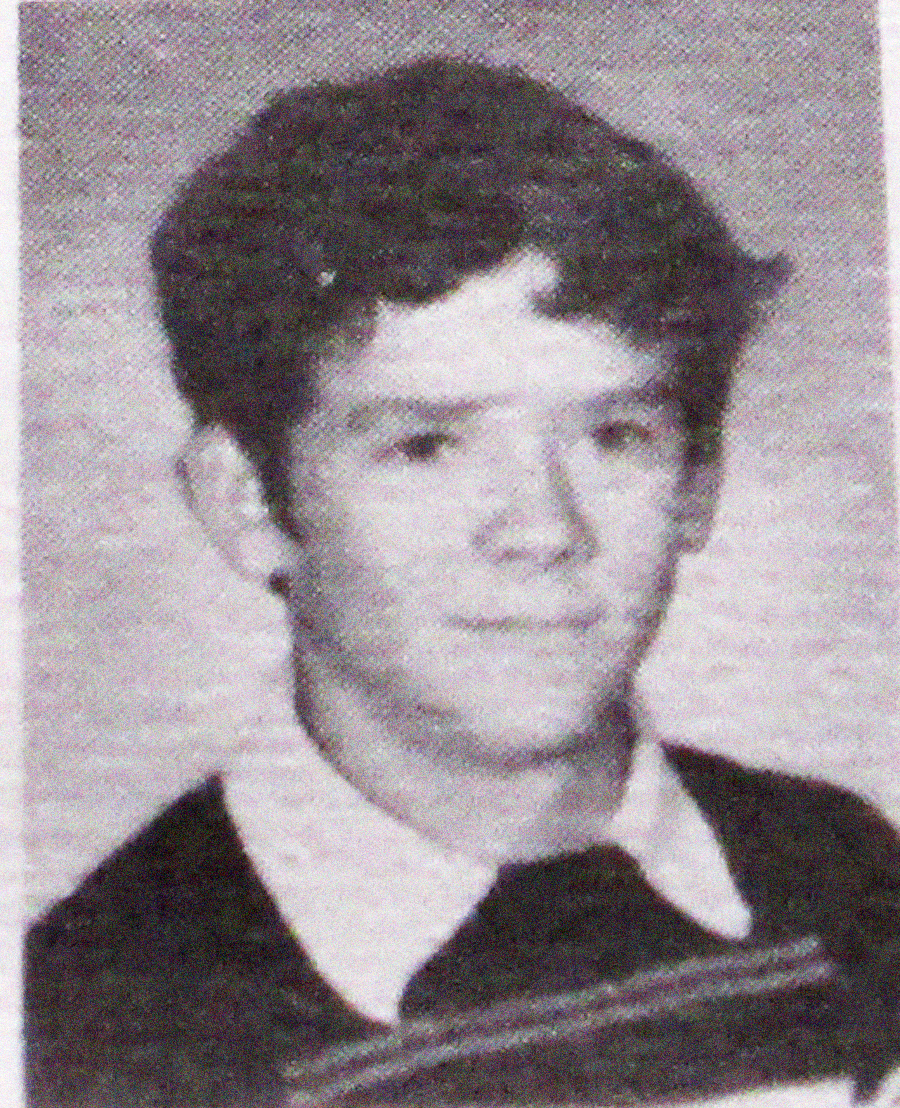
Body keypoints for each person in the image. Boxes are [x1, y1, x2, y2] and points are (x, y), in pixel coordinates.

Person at [24, 56, 900, 1108]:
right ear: (248, 499)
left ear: (698, 483)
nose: (542, 529)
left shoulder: (845, 884)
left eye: (614, 434)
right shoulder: (89, 1015)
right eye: (427, 446)